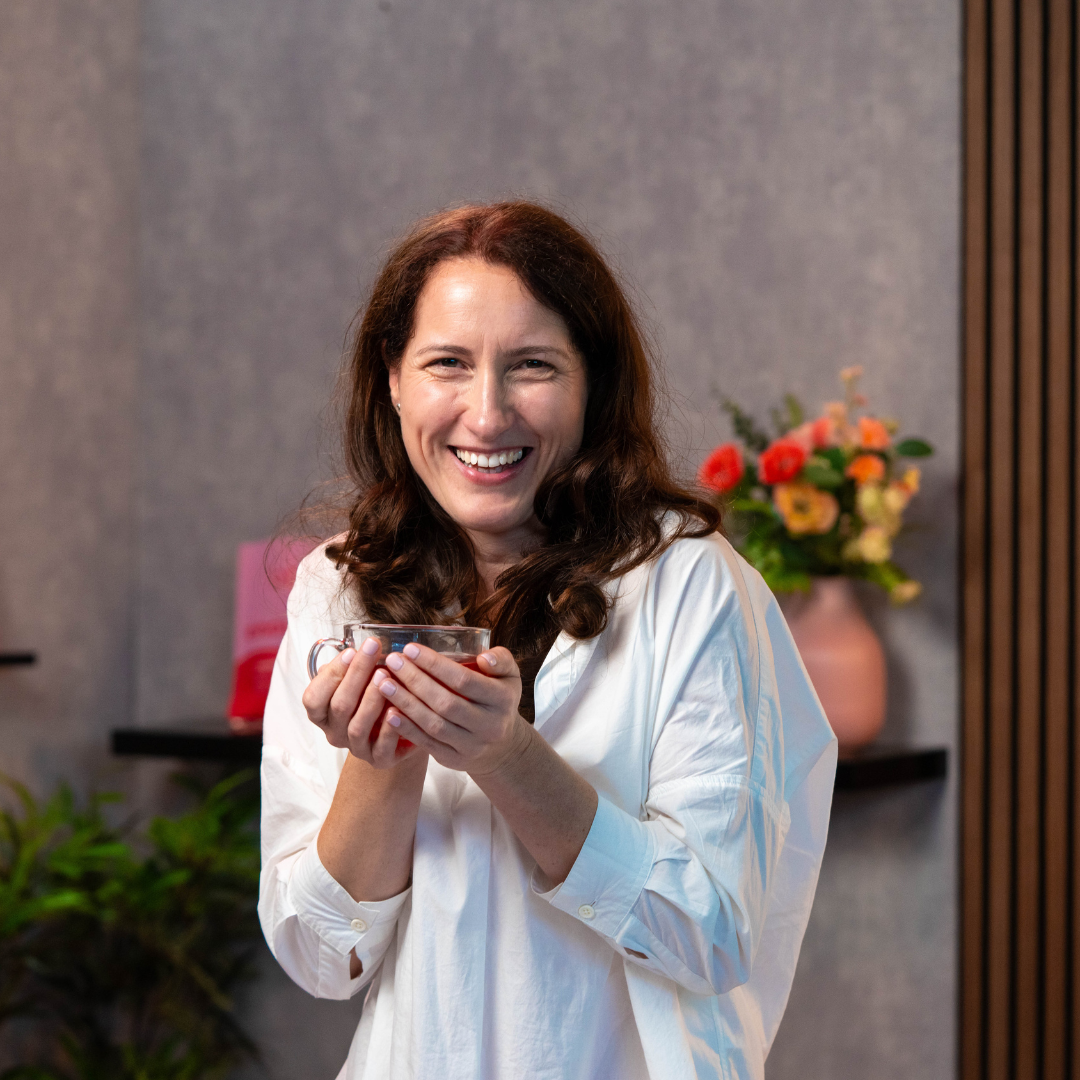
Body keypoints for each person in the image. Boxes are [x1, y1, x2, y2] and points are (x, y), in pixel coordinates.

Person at [259, 201, 837, 1080]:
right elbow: (318, 957)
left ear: (591, 383)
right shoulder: (338, 586)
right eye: (447, 363)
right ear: (393, 379)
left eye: (532, 365)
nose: (487, 414)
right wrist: (385, 760)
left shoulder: (689, 584)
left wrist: (507, 756)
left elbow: (713, 931)